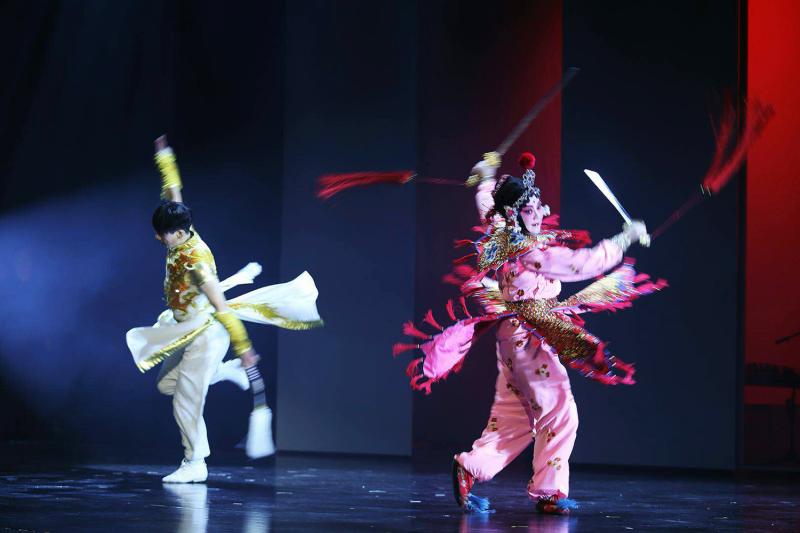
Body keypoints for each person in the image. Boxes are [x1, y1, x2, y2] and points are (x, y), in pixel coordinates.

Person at [395, 151, 664, 514]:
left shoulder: (502, 233)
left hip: (516, 337)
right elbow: (581, 264)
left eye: (538, 206)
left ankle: (470, 467)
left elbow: (487, 206)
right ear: (514, 214)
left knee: (516, 415)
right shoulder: (529, 251)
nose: (538, 214)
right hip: (529, 338)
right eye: (529, 209)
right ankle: (549, 492)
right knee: (560, 411)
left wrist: (486, 177)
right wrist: (625, 237)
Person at [126, 135, 323, 483]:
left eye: (162, 235)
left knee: (186, 400)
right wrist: (165, 156)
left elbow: (223, 309)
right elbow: (173, 190)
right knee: (166, 385)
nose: (159, 239)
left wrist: (244, 350)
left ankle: (195, 462)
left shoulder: (197, 263)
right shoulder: (180, 224)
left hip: (207, 332)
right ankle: (224, 372)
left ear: (178, 233)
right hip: (185, 326)